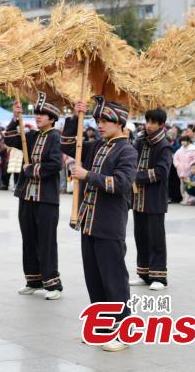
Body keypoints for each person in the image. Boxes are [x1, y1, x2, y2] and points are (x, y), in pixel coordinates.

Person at [62, 96, 136, 353]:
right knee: (94, 278)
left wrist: (88, 175)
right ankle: (102, 327)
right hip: (89, 222)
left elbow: (122, 183)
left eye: (105, 121)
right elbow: (68, 144)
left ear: (119, 123)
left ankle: (123, 331)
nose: (100, 125)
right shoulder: (97, 146)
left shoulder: (127, 150)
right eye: (98, 120)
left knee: (114, 280)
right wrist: (75, 117)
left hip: (109, 224)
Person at [5, 93, 64, 300]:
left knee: (46, 241)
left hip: (46, 199)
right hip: (26, 196)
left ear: (52, 118)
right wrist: (15, 118)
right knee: (28, 239)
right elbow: (9, 138)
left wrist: (32, 170)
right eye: (37, 113)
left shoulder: (55, 137)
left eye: (43, 114)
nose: (38, 116)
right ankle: (33, 280)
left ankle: (53, 284)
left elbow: (56, 164)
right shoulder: (30, 136)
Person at [130, 109, 173, 290]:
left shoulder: (164, 145)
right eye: (147, 121)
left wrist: (136, 175)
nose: (149, 126)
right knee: (140, 237)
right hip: (138, 198)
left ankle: (159, 277)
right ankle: (144, 273)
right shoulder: (140, 141)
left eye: (153, 123)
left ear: (161, 125)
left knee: (156, 239)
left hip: (154, 199)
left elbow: (162, 172)